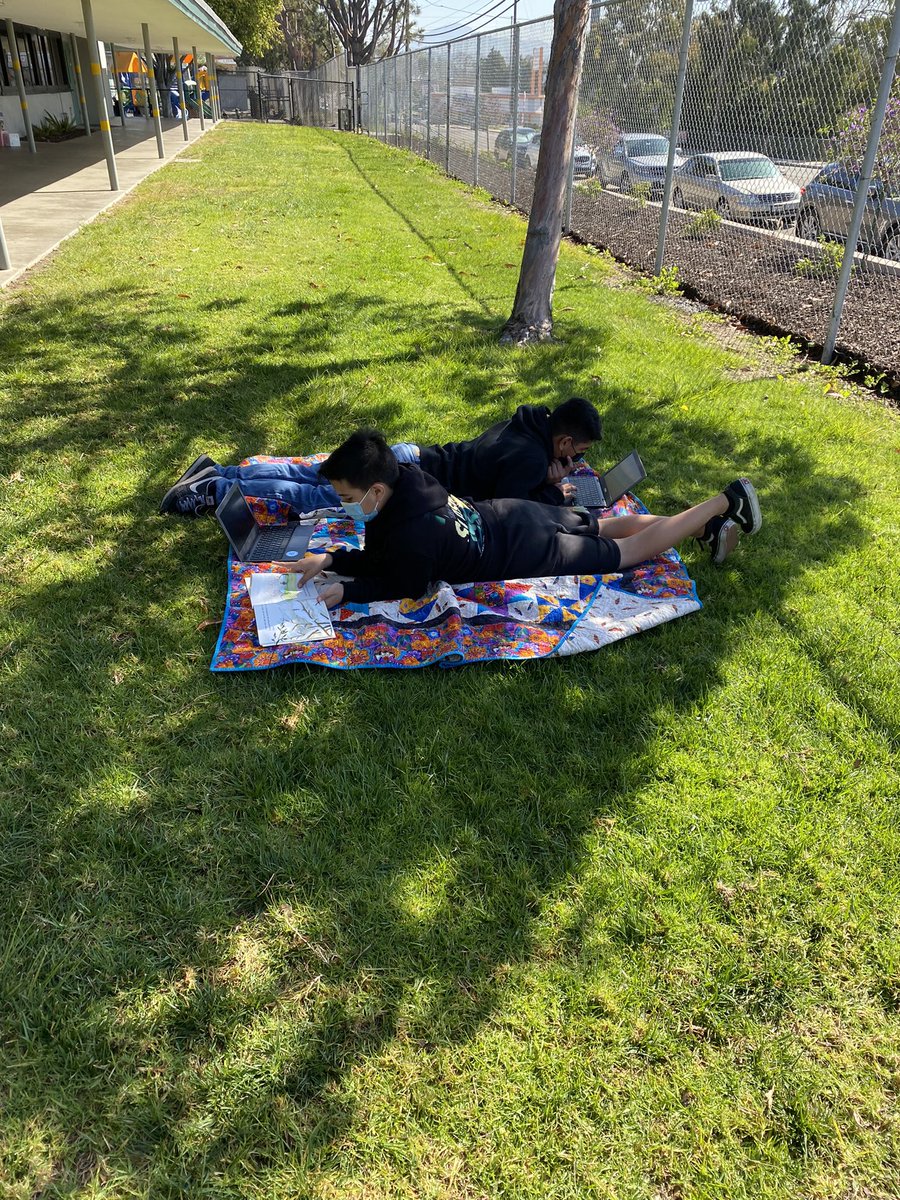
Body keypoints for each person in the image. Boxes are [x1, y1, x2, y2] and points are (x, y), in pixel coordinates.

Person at [290, 430, 760, 609]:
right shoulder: (409, 479)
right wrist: (333, 556)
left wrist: (348, 588)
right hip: (514, 514)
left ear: (375, 491)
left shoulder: (414, 536)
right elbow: (380, 557)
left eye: (347, 496)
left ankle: (722, 502)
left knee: (626, 553)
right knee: (605, 524)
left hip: (527, 548)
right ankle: (705, 526)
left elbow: (402, 583)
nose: (343, 503)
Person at [157, 397, 601, 519]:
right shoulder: (530, 460)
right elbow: (506, 508)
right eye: (577, 453)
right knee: (319, 499)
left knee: (312, 472)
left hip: (411, 454)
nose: (577, 462)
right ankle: (213, 490)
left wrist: (544, 474)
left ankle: (222, 471)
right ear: (563, 443)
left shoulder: (526, 423)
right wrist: (553, 492)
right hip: (405, 477)